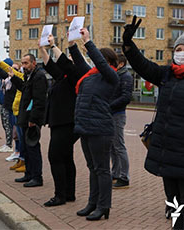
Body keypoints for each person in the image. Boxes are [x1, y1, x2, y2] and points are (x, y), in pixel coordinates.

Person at [122, 16, 184, 229]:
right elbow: (144, 66)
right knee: (174, 203)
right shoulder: (168, 74)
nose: (181, 52)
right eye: (179, 49)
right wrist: (129, 45)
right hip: (167, 153)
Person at [68, 28, 119, 221]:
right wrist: (72, 44)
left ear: (107, 62)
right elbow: (80, 63)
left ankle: (104, 206)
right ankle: (93, 203)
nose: (94, 62)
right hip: (85, 127)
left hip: (100, 129)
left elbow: (98, 62)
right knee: (92, 167)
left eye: (99, 60)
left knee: (102, 169)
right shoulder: (91, 76)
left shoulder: (111, 76)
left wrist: (89, 42)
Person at [38, 35, 86, 206]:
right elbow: (50, 65)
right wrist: (42, 48)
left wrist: (53, 46)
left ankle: (60, 195)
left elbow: (64, 62)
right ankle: (69, 193)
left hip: (67, 123)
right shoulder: (63, 77)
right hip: (59, 122)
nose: (67, 60)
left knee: (55, 156)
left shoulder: (76, 76)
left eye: (70, 58)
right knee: (66, 157)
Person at [0, 53, 47, 187]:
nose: (23, 66)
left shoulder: (39, 76)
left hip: (31, 119)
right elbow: (24, 88)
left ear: (34, 63)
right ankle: (28, 174)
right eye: (22, 63)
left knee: (33, 147)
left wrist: (33, 119)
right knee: (26, 147)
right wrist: (14, 78)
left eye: (26, 63)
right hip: (24, 117)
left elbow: (39, 100)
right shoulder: (30, 75)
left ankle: (36, 177)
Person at [110, 53, 133, 189]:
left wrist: (110, 105)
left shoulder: (125, 76)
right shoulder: (116, 75)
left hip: (118, 114)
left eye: (114, 62)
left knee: (119, 146)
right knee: (113, 147)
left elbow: (126, 97)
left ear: (121, 64)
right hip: (111, 113)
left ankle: (124, 177)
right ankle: (116, 173)